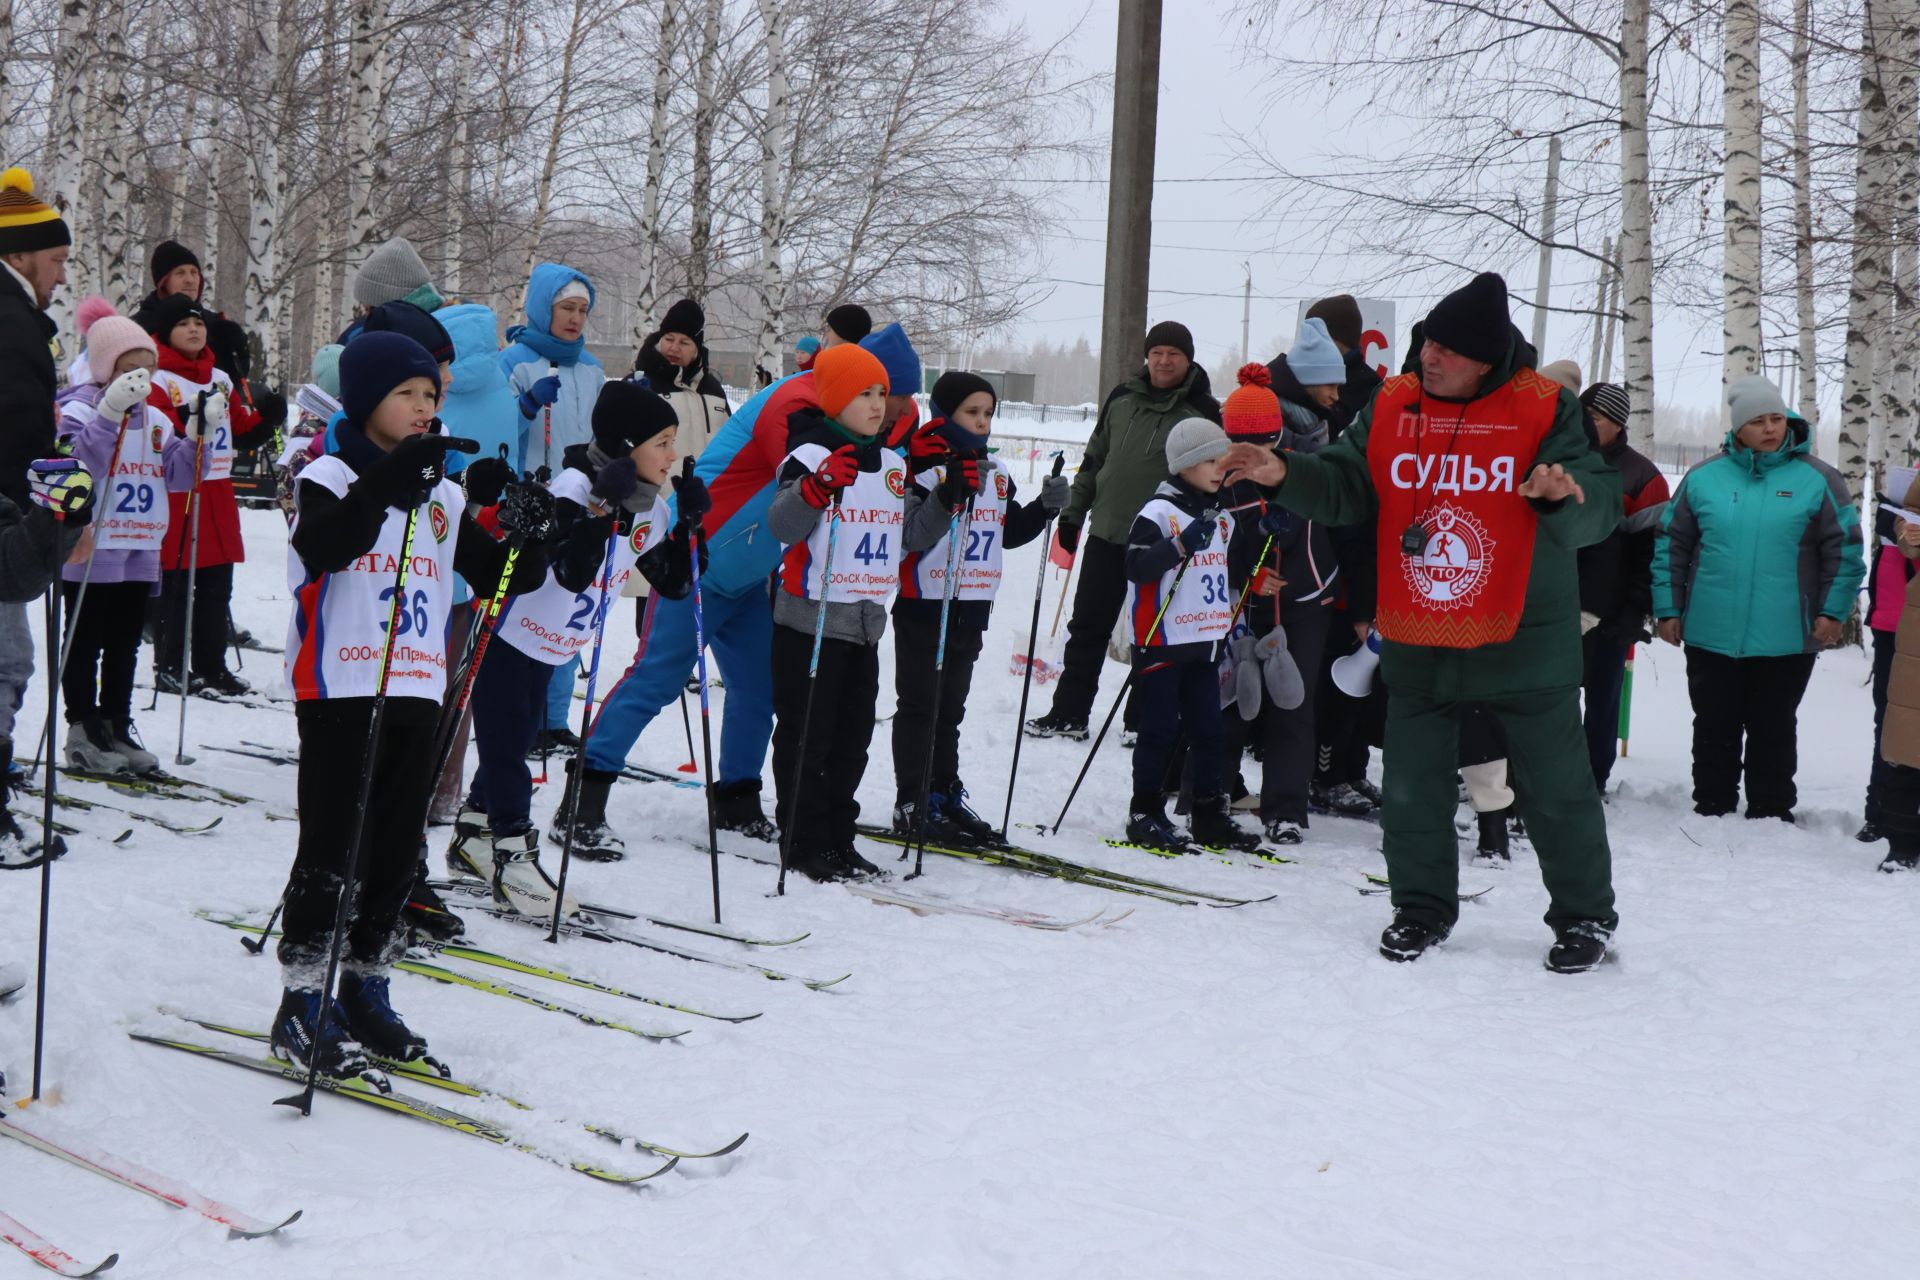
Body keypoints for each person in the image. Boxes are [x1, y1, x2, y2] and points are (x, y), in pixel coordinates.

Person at [1225, 271, 1624, 973]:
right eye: (1427, 343)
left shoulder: (1541, 408)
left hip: (1522, 635)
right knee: (1410, 788)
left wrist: (1563, 495)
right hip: (1419, 629)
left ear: (1487, 361)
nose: (1429, 357)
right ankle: (1420, 907)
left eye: (1448, 350)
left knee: (1555, 788)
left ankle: (1585, 917)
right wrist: (1282, 471)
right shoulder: (1393, 400)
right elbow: (1347, 485)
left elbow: (1600, 507)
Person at [272, 331, 547, 1078]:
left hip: (417, 686)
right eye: (408, 395)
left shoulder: (444, 494)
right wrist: (388, 481)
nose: (426, 408)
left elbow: (499, 579)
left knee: (396, 849)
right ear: (367, 403)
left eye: (432, 396)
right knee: (334, 846)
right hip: (341, 684)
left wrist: (534, 540)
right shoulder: (326, 474)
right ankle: (302, 997)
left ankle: (367, 982)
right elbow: (328, 546)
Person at [454, 381, 699, 905]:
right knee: (509, 749)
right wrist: (600, 512)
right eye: (662, 442)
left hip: (554, 645)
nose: (672, 454)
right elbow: (569, 572)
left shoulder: (651, 507)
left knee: (514, 741)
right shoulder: (570, 487)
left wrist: (691, 532)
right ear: (628, 444)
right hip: (509, 636)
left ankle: (472, 835)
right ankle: (513, 852)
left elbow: (674, 583)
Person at [1652, 376, 1863, 823]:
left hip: (1787, 632)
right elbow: (1671, 545)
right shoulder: (1703, 477)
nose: (1770, 428)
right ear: (1737, 429)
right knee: (1713, 724)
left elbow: (1844, 551)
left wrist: (1831, 612)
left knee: (1774, 725)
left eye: (1776, 418)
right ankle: (1711, 803)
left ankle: (1770, 809)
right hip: (1710, 629)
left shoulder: (1819, 479)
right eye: (1758, 421)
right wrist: (1668, 609)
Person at [765, 343, 932, 882]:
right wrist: (816, 489)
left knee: (852, 740)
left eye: (882, 393)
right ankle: (802, 838)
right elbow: (781, 526)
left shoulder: (891, 464)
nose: (878, 404)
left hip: (863, 626)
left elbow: (908, 537)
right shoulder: (809, 455)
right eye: (864, 393)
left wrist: (948, 502)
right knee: (807, 736)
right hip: (808, 624)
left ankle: (840, 835)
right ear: (834, 399)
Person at [892, 372, 1068, 846]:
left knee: (950, 709)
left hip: (972, 602)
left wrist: (1044, 509)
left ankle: (944, 793)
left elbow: (1007, 532)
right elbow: (911, 536)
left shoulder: (996, 471)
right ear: (945, 414)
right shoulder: (918, 465)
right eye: (971, 412)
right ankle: (913, 800)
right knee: (921, 707)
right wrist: (949, 492)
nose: (982, 422)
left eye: (988, 413)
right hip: (926, 603)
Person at [1027, 320, 1222, 740]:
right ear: (1147, 357)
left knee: (1152, 637)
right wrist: (1073, 515)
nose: (1163, 360)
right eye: (1157, 353)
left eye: (1173, 353)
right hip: (1108, 532)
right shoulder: (1121, 399)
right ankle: (1069, 713)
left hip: (1162, 544)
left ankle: (1143, 721)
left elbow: (1214, 477)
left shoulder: (1203, 411)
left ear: (1188, 360)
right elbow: (1095, 459)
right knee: (1087, 629)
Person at [54, 309, 208, 774]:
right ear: (105, 369)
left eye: (148, 369)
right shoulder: (79, 408)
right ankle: (83, 726)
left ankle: (117, 724)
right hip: (91, 542)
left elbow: (179, 478)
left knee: (125, 640)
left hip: (140, 543)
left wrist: (199, 437)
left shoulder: (158, 418)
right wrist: (108, 413)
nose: (140, 380)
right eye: (128, 370)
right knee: (85, 637)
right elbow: (76, 470)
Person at [0, 165, 91, 861]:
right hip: (7, 507)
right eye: (56, 258)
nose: (62, 274)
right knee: (6, 663)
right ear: (20, 253)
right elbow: (23, 430)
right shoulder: (10, 319)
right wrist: (59, 518)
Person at [1219, 343, 1340, 846]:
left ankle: (1286, 808)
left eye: (1260, 441)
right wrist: (1247, 574)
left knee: (1293, 703)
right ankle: (1211, 790)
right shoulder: (1216, 474)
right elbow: (1213, 538)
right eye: (1237, 441)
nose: (1248, 453)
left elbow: (1329, 526)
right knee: (1230, 698)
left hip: (1306, 599)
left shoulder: (1299, 467)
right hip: (1239, 603)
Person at [1120, 417, 1259, 852]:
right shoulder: (1158, 513)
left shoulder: (1218, 517)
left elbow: (1225, 570)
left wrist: (1265, 540)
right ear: (1183, 465)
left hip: (1205, 639)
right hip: (1163, 639)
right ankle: (1145, 810)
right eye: (1209, 461)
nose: (1220, 468)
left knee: (1208, 730)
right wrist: (1178, 546)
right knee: (1159, 728)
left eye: (1222, 460)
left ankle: (1208, 813)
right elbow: (1137, 567)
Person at [500, 262, 603, 751]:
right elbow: (498, 434)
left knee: (569, 608)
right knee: (530, 612)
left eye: (582, 310)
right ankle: (522, 712)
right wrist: (524, 408)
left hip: (577, 502)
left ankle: (555, 718)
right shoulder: (516, 362)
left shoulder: (591, 369)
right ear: (544, 308)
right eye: (566, 308)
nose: (575, 318)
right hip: (530, 499)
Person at [144, 292, 262, 697]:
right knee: (176, 585)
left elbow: (241, 426)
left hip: (218, 491)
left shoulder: (221, 377)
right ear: (166, 334)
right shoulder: (158, 377)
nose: (193, 329)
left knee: (216, 584)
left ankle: (212, 665)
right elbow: (157, 424)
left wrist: (267, 419)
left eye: (198, 323)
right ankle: (170, 664)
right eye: (183, 324)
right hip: (180, 489)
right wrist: (190, 414)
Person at [1576, 382, 1668, 793]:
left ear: (1616, 425)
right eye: (1584, 414)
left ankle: (1594, 778)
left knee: (1602, 701)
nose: (1587, 424)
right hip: (1556, 606)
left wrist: (1635, 610)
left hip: (1611, 613)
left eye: (1595, 418)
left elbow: (1649, 552)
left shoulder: (1642, 476)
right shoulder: (1561, 458)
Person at [632, 298, 731, 461]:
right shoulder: (639, 386)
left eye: (684, 342)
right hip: (657, 487)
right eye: (669, 339)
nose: (674, 348)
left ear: (696, 351)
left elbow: (731, 446)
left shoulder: (714, 391)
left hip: (708, 486)